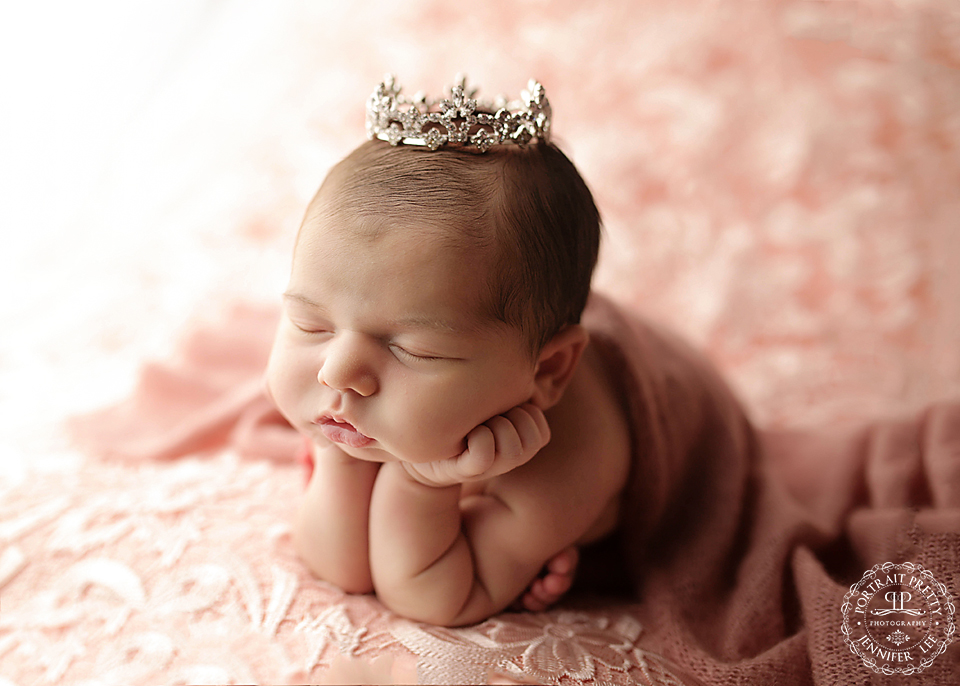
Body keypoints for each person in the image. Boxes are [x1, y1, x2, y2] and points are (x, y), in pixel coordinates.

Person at [265, 76, 634, 626]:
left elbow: (435, 596)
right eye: (309, 324)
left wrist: (421, 484)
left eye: (414, 350)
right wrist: (339, 455)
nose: (338, 373)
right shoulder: (369, 393)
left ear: (548, 369)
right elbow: (340, 567)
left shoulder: (565, 464)